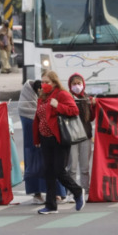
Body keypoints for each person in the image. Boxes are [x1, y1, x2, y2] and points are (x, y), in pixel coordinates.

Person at [33, 70, 85, 214]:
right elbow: (39, 119)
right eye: (42, 82)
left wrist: (58, 106)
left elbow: (74, 111)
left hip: (59, 138)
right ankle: (51, 205)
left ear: (54, 82)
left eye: (47, 82)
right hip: (45, 139)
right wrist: (37, 138)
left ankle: (77, 191)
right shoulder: (42, 97)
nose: (44, 85)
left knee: (59, 170)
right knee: (48, 172)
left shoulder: (61, 94)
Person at [66, 73, 96, 196]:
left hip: (86, 136)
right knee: (71, 168)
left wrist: (93, 105)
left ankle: (85, 190)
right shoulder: (66, 98)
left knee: (84, 168)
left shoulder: (87, 99)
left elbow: (92, 118)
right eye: (74, 84)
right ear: (70, 85)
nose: (77, 86)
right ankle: (71, 191)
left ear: (83, 84)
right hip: (72, 137)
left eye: (79, 83)